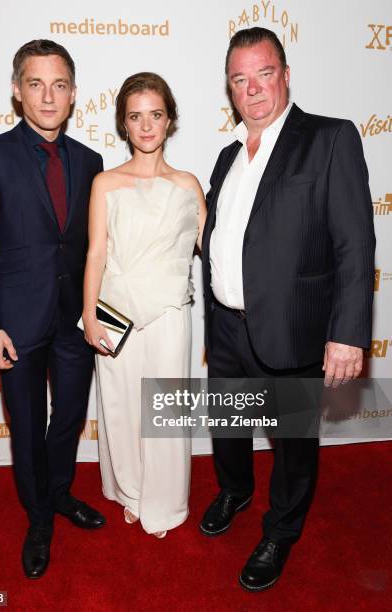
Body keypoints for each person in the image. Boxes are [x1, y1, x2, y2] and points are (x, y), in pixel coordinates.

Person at [200, 27, 375, 591]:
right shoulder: (227, 156)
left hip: (295, 325)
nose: (252, 90)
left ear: (286, 75)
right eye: (239, 78)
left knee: (293, 442)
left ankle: (281, 530)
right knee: (228, 423)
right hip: (227, 324)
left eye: (264, 74)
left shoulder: (328, 139)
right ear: (229, 87)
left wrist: (347, 333)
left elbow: (354, 243)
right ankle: (234, 489)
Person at [0, 39, 105, 579]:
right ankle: (39, 517)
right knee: (27, 425)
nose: (48, 96)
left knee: (67, 419)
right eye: (36, 84)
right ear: (18, 91)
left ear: (73, 94)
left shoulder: (91, 162)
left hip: (75, 320)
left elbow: (94, 246)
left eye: (59, 84)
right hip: (14, 325)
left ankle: (60, 493)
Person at [82, 72, 206, 538]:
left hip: (171, 314)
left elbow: (213, 251)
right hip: (116, 312)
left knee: (167, 408)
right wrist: (90, 315)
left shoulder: (189, 184)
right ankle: (131, 490)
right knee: (121, 403)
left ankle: (166, 501)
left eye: (155, 114)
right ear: (124, 125)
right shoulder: (105, 182)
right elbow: (95, 253)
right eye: (136, 117)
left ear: (169, 119)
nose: (147, 125)